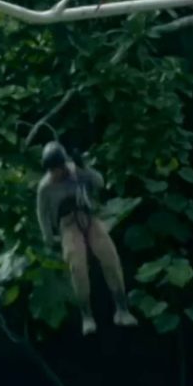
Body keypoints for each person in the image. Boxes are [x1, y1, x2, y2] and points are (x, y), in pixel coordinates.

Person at [35, 141, 138, 335]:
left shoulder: (77, 172)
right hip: (67, 225)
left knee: (109, 255)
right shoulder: (45, 188)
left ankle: (122, 308)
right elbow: (43, 214)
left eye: (60, 167)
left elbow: (100, 183)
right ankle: (87, 315)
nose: (59, 173)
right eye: (54, 170)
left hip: (88, 216)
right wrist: (48, 237)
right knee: (78, 265)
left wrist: (86, 168)